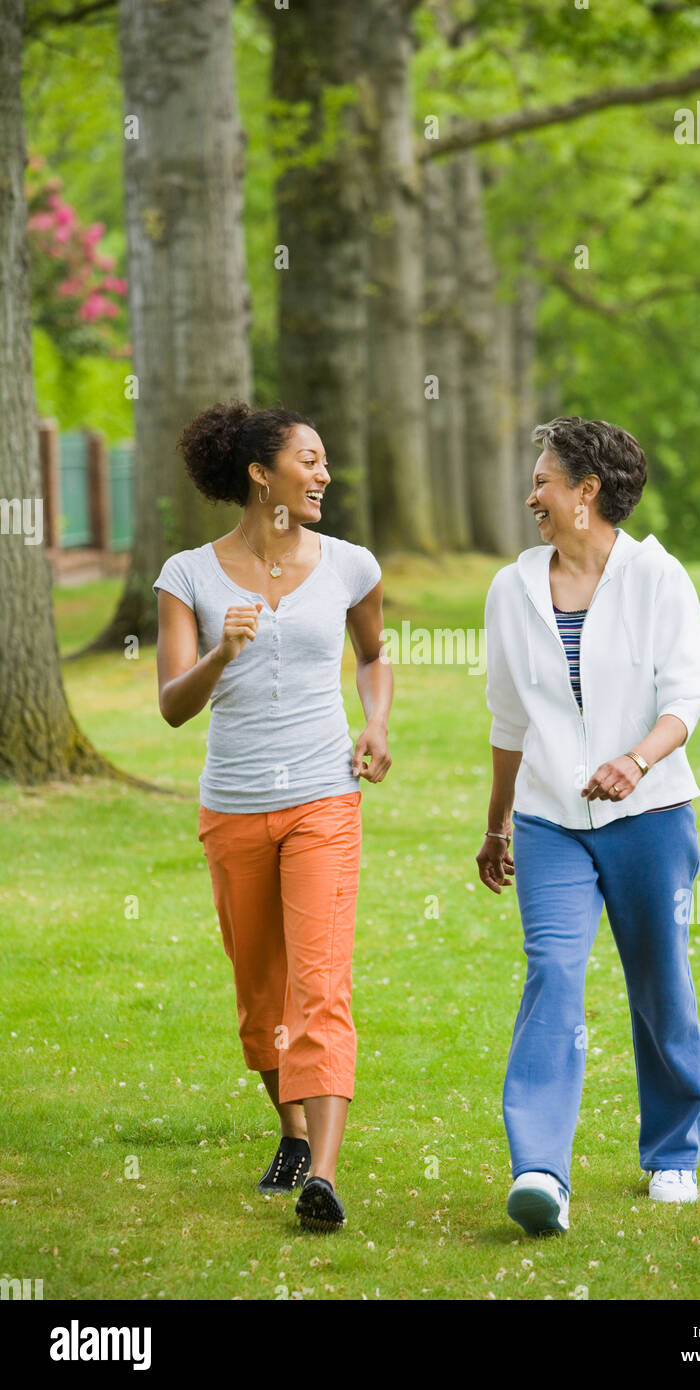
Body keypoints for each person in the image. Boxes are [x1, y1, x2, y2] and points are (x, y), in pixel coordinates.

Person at [153, 401, 392, 1234]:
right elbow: (173, 707)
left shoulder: (350, 564)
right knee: (262, 1003)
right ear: (262, 474)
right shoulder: (188, 575)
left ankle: (323, 1177)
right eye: (310, 459)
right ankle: (291, 1133)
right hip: (235, 807)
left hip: (325, 797)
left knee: (320, 985)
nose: (325, 474)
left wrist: (377, 723)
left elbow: (373, 657)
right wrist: (223, 650)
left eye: (326, 461)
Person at [477, 415, 700, 1236]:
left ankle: (673, 1153)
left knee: (659, 982)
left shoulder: (657, 578)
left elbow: (688, 695)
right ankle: (541, 1167)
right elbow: (508, 719)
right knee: (553, 972)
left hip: (648, 814)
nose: (532, 494)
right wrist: (496, 826)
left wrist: (635, 761)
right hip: (549, 820)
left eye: (545, 480)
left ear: (588, 491)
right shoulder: (512, 589)